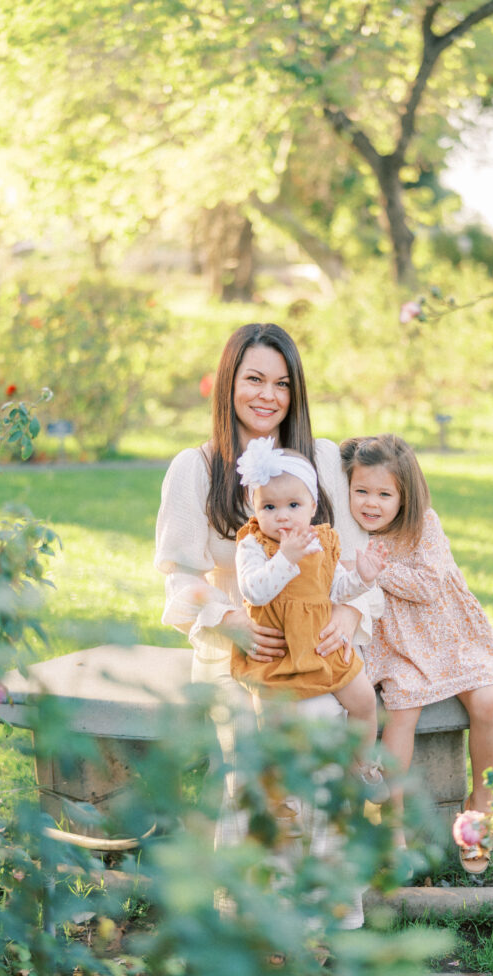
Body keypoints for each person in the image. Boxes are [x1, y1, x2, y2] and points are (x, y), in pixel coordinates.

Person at [154, 323, 381, 924]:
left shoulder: (323, 459)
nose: (267, 395)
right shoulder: (196, 468)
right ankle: (252, 914)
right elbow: (178, 575)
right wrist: (228, 619)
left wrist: (347, 611)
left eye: (281, 383)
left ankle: (332, 908)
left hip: (321, 642)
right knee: (257, 754)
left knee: (327, 737)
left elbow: (358, 561)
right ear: (229, 382)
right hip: (239, 648)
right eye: (254, 378)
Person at [340, 434, 493, 874]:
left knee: (488, 701)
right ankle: (391, 826)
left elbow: (429, 586)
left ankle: (477, 810)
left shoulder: (423, 524)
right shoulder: (349, 531)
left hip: (449, 635)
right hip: (396, 646)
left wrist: (376, 569)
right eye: (362, 491)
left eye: (384, 494)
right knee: (402, 712)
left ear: (405, 495)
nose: (371, 503)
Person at [230, 436, 388, 801]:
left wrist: (362, 577)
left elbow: (335, 590)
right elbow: (254, 591)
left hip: (319, 646)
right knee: (273, 721)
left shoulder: (323, 542)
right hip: (278, 653)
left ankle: (363, 764)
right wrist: (285, 558)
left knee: (364, 700)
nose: (281, 515)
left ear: (313, 506)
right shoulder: (252, 546)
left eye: (293, 504)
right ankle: (277, 790)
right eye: (269, 506)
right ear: (255, 509)